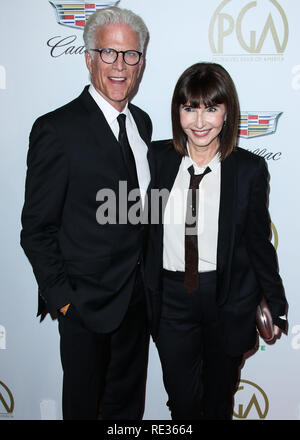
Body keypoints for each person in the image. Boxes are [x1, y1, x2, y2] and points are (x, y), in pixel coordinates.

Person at [20, 7, 152, 420]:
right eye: (109, 53)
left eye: (130, 55)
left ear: (141, 63)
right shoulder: (56, 129)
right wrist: (64, 303)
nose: (120, 66)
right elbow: (36, 230)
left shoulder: (143, 124)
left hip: (138, 303)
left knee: (126, 413)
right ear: (88, 57)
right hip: (85, 308)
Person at [145, 62, 288, 420]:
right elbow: (137, 229)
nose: (199, 121)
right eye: (189, 107)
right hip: (171, 300)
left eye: (211, 108)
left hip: (226, 300)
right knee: (182, 403)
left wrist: (276, 300)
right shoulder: (156, 160)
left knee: (219, 402)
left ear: (227, 114)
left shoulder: (248, 169)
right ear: (178, 112)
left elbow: (258, 241)